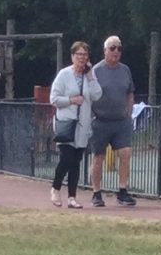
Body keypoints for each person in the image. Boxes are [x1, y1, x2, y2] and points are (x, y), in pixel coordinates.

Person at [85, 36, 138, 207]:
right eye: (112, 48)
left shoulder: (125, 70)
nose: (116, 51)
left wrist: (129, 113)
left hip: (121, 121)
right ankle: (96, 193)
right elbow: (88, 94)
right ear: (105, 51)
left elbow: (130, 93)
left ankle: (122, 191)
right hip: (100, 120)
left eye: (119, 48)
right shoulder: (96, 71)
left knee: (125, 153)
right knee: (98, 157)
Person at [48, 42, 95, 208]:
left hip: (82, 125)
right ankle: (55, 188)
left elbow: (97, 95)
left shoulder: (88, 75)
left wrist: (90, 77)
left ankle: (72, 197)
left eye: (85, 54)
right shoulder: (64, 75)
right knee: (66, 158)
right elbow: (54, 99)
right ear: (72, 56)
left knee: (76, 161)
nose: (82, 58)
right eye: (79, 54)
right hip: (66, 124)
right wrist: (71, 100)